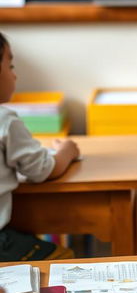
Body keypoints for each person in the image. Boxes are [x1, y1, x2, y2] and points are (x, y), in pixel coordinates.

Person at [0, 33, 79, 262]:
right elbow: (44, 170)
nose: (14, 74)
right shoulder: (5, 121)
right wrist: (67, 150)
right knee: (64, 257)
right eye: (10, 65)